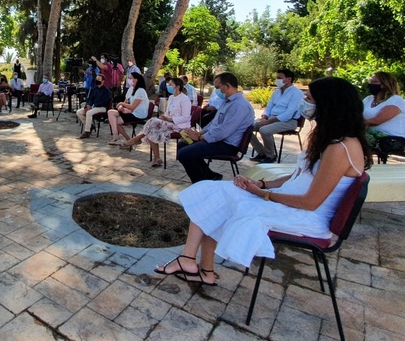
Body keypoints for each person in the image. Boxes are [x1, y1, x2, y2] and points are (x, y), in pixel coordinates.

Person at [154, 77, 368, 286]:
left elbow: (311, 202)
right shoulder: (330, 139)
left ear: (328, 105)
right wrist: (262, 184)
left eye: (310, 99)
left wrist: (263, 195)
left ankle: (198, 266)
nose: (305, 104)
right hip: (286, 201)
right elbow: (298, 176)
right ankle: (192, 262)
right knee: (210, 192)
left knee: (220, 202)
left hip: (304, 216)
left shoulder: (340, 148)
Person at [178, 72, 254, 182]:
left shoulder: (239, 105)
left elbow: (223, 131)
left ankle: (200, 184)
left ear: (227, 86)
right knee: (183, 144)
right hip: (220, 140)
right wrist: (200, 133)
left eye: (218, 87)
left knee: (184, 154)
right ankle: (209, 176)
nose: (216, 91)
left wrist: (199, 138)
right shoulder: (228, 101)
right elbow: (214, 123)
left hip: (227, 145)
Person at [120, 77, 192, 167]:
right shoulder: (171, 97)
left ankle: (136, 139)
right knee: (151, 129)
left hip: (179, 125)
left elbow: (186, 117)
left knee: (152, 121)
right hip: (168, 123)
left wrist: (170, 119)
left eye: (170, 85)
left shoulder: (184, 99)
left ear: (177, 87)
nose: (168, 86)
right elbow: (167, 112)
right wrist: (164, 117)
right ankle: (157, 159)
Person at [250, 69, 304, 163]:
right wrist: (265, 116)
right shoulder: (277, 92)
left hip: (289, 121)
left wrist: (268, 122)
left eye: (280, 78)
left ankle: (270, 156)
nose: (277, 80)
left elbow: (289, 113)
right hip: (272, 118)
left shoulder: (297, 93)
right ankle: (262, 153)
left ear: (288, 79)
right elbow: (269, 106)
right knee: (247, 128)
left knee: (264, 130)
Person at [362, 71, 405, 151]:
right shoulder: (368, 99)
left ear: (385, 85)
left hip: (392, 139)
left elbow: (377, 121)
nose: (371, 84)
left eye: (375, 82)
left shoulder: (395, 99)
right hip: (372, 136)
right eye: (370, 82)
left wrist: (355, 124)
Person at [106, 72, 150, 145]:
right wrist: (121, 107)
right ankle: (118, 136)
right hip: (130, 111)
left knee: (114, 121)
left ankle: (123, 138)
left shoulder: (140, 91)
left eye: (130, 78)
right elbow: (126, 102)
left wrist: (121, 104)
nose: (129, 80)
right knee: (110, 113)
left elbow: (133, 106)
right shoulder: (130, 89)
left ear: (136, 80)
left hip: (138, 114)